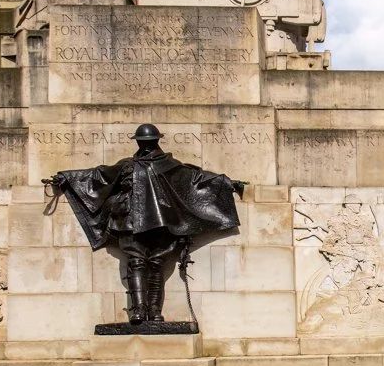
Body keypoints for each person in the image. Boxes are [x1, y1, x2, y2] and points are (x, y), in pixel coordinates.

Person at [46, 124, 245, 325]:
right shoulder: (143, 165)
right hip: (140, 221)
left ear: (140, 142)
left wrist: (67, 178)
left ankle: (147, 312)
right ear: (156, 140)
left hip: (147, 222)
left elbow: (195, 178)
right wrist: (226, 183)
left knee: (143, 264)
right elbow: (197, 178)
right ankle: (146, 311)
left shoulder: (158, 165)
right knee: (145, 264)